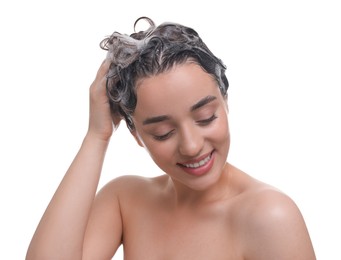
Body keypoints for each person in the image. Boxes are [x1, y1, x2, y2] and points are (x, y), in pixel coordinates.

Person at [26, 17, 316, 259]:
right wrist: (97, 136)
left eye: (206, 117)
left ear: (225, 101)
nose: (191, 146)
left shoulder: (270, 216)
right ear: (136, 134)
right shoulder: (125, 200)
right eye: (162, 133)